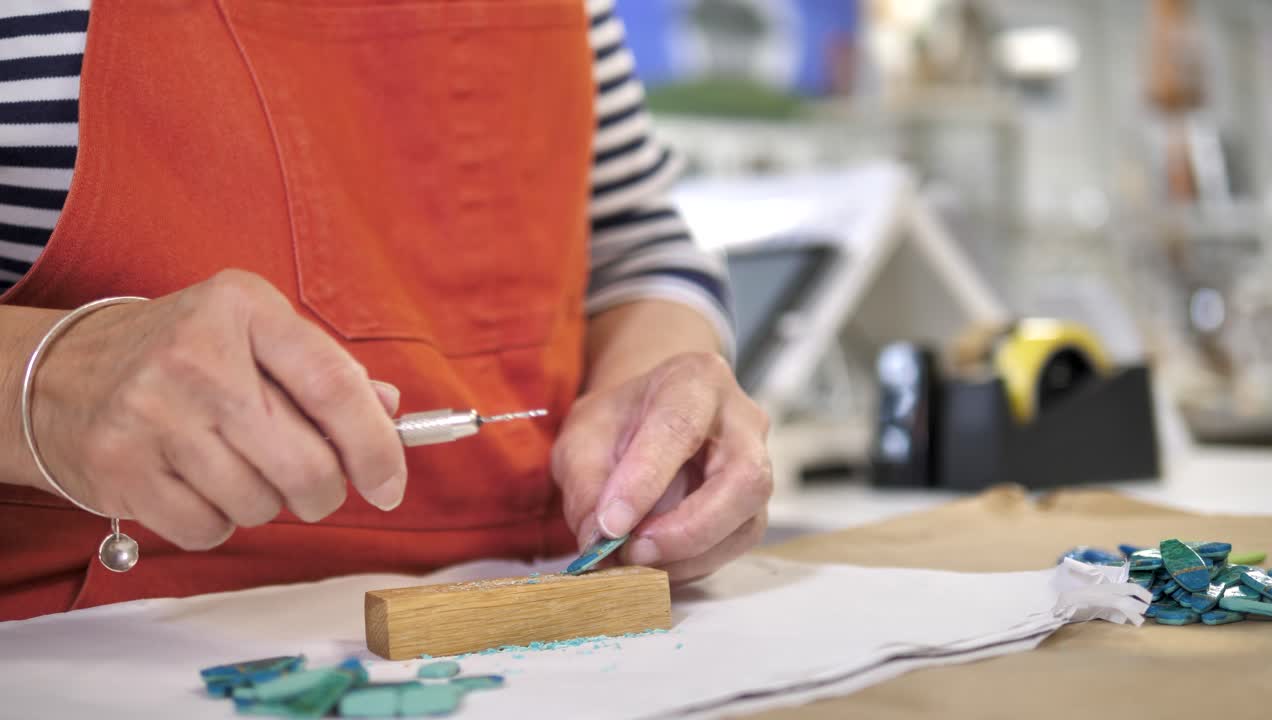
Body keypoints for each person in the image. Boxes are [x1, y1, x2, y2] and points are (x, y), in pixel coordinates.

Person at [0, 0, 772, 621]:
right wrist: (42, 384)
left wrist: (658, 392)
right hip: (98, 648)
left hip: (546, 637)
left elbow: (634, 244)